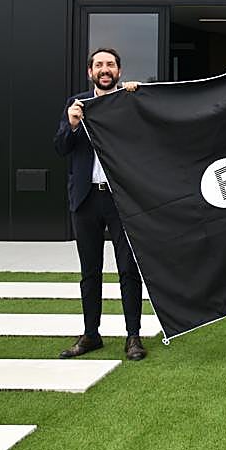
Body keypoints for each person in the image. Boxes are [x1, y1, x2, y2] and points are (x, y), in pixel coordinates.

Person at [53, 47, 147, 361]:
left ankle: (133, 336)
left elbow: (145, 141)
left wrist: (135, 98)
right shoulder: (76, 103)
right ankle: (91, 335)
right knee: (89, 271)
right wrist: (72, 123)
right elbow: (60, 148)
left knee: (128, 269)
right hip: (86, 198)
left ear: (119, 72)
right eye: (99, 65)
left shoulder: (128, 101)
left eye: (110, 65)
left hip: (121, 197)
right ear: (90, 72)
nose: (104, 69)